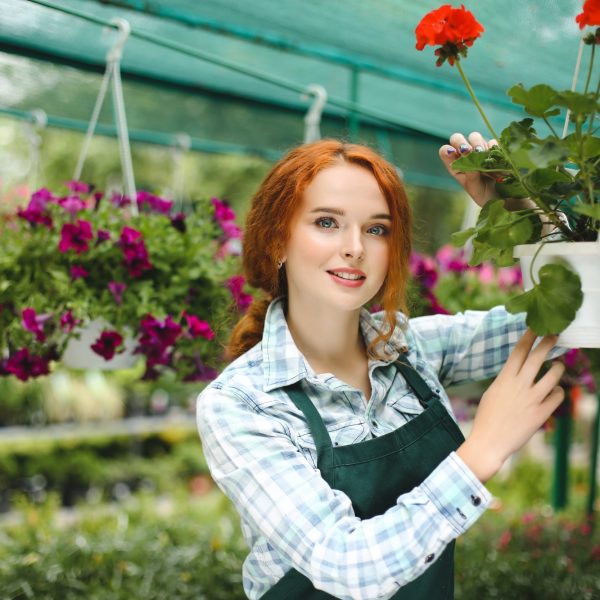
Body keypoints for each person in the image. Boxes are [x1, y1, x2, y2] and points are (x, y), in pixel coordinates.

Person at [196, 135, 565, 600]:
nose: (355, 247)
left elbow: (569, 313)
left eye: (377, 229)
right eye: (327, 222)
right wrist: (482, 452)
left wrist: (518, 212)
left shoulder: (407, 351)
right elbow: (346, 565)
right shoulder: (241, 405)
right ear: (277, 240)